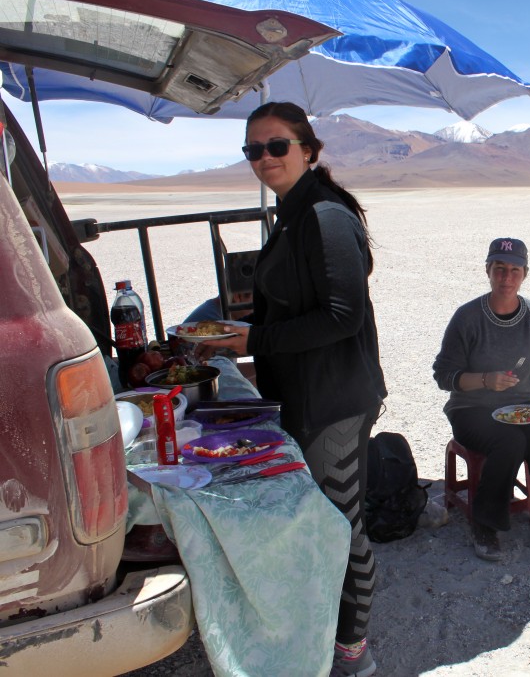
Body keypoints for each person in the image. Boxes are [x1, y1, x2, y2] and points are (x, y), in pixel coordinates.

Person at [195, 101, 386, 677]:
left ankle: (354, 651)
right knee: (320, 517)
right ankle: (324, 625)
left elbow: (341, 317)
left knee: (340, 522)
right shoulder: (293, 214)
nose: (264, 158)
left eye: (277, 145)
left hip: (334, 400)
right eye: (253, 149)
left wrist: (253, 337)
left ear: (308, 148)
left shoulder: (325, 217)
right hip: (304, 394)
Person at [432, 238, 530, 562]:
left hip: (523, 406)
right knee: (508, 444)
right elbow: (443, 374)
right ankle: (485, 524)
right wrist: (484, 380)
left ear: (524, 274)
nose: (506, 278)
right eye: (499, 269)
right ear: (488, 271)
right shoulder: (467, 318)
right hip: (471, 408)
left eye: (514, 271)